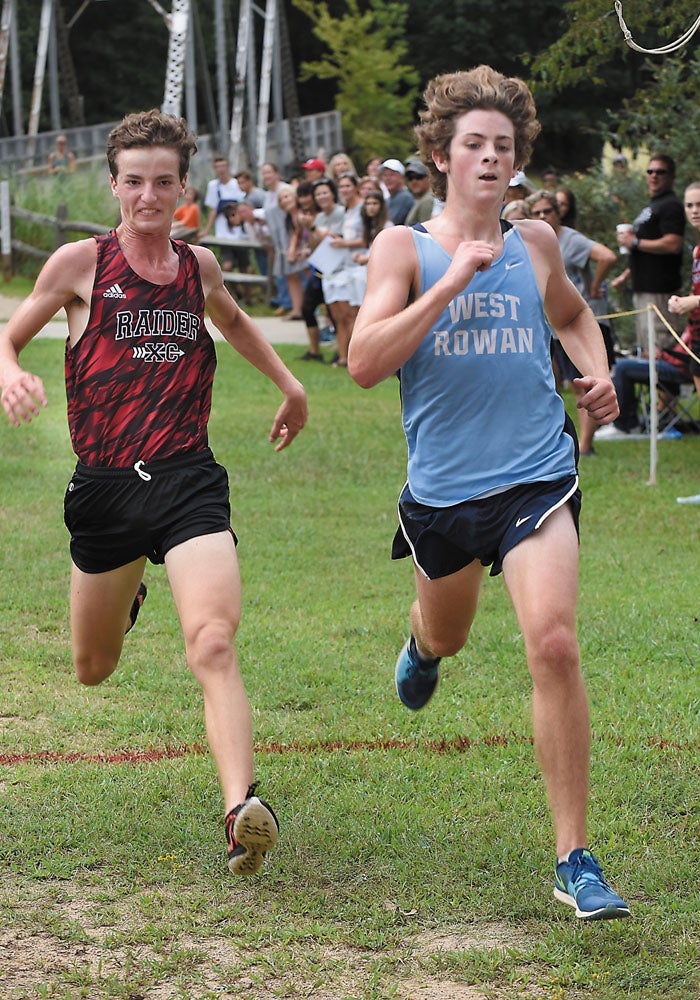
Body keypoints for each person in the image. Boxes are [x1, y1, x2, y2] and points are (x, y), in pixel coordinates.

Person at [348, 66, 630, 921]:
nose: (490, 157)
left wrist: (598, 376)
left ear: (516, 163)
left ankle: (574, 857)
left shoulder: (537, 244)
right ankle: (424, 648)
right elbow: (364, 363)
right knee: (449, 630)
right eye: (473, 143)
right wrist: (449, 281)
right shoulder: (405, 248)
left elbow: (575, 315)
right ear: (439, 154)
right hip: (443, 495)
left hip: (536, 476)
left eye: (503, 146)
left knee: (552, 643)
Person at [0, 108, 308, 877]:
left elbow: (234, 322)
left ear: (182, 187)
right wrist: (11, 369)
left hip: (186, 483)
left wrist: (290, 383)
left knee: (212, 640)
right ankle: (128, 590)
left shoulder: (198, 268)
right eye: (133, 182)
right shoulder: (80, 264)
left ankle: (241, 811)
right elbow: (7, 335)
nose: (147, 195)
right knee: (92, 666)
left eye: (162, 181)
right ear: (114, 186)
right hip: (105, 491)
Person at [527, 189, 617, 455]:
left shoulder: (569, 239)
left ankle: (586, 445)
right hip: (553, 328)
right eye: (537, 213)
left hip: (582, 322)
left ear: (558, 212)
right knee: (561, 386)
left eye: (548, 211)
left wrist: (594, 286)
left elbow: (607, 256)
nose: (543, 216)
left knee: (583, 387)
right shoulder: (534, 240)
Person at [612, 153, 685, 349]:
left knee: (661, 351)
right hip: (643, 288)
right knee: (647, 351)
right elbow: (645, 248)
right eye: (650, 171)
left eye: (660, 172)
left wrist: (635, 242)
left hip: (660, 291)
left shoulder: (671, 205)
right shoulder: (653, 205)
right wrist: (626, 275)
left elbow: (673, 243)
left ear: (671, 176)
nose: (654, 175)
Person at [200, 155, 244, 240]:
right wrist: (206, 230)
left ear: (228, 167)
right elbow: (213, 210)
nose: (221, 169)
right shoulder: (213, 185)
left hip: (238, 229)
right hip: (222, 229)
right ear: (215, 169)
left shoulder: (237, 183)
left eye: (223, 166)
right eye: (218, 167)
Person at [380, 159, 415, 225]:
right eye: (385, 175)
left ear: (402, 177)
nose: (388, 178)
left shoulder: (405, 197)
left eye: (392, 175)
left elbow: (391, 223)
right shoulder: (388, 199)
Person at [404, 159, 435, 226]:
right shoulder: (420, 199)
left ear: (428, 177)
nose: (414, 181)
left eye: (418, 177)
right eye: (410, 178)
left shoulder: (428, 200)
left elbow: (426, 231)